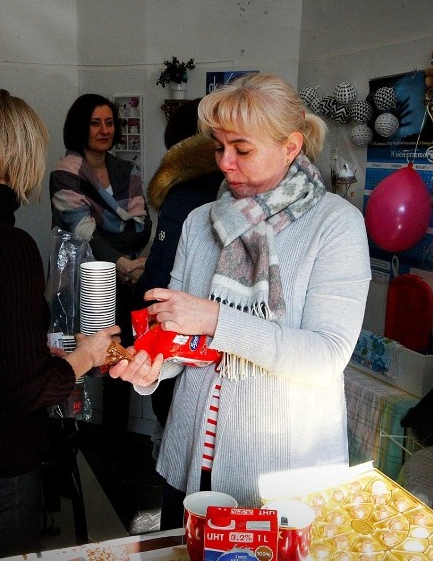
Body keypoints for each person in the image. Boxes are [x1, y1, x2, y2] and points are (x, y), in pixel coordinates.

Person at [0, 88, 161, 560]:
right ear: (11, 155)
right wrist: (87, 353)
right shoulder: (7, 247)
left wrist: (37, 352)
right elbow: (24, 390)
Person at [133, 73, 371, 527]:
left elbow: (325, 354)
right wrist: (150, 362)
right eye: (218, 146)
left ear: (290, 146)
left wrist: (217, 319)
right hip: (190, 463)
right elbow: (182, 339)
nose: (224, 162)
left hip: (280, 475)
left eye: (242, 150)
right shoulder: (201, 220)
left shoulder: (335, 225)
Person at [50, 93, 152, 432]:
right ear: (80, 127)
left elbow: (142, 226)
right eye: (95, 122)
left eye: (109, 122)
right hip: (81, 286)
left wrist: (123, 260)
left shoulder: (127, 170)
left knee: (118, 357)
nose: (104, 129)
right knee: (73, 360)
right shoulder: (64, 175)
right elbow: (82, 232)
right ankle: (70, 438)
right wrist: (122, 260)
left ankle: (116, 438)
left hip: (125, 283)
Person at [133, 98, 223, 432]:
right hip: (230, 378)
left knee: (175, 433)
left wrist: (140, 293)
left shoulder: (185, 194)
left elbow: (162, 285)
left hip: (183, 355)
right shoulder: (231, 194)